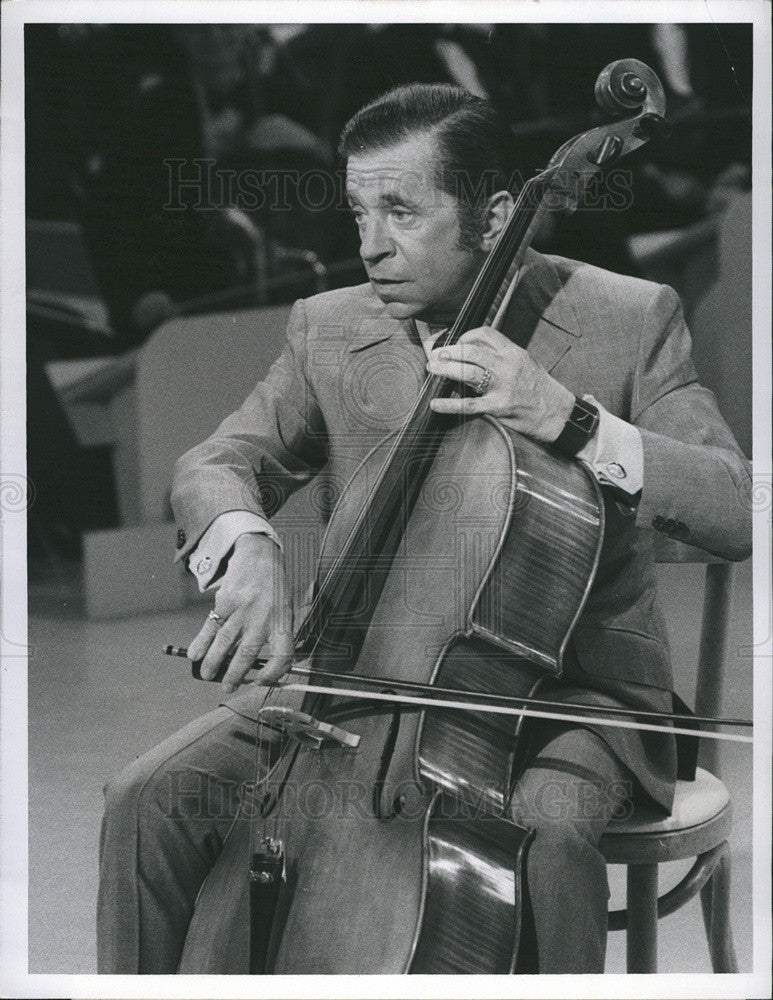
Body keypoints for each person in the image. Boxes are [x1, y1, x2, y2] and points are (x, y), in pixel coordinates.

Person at [97, 84, 751, 974]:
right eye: (359, 211)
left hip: (568, 695)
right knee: (151, 799)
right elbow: (217, 461)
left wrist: (574, 421)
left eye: (401, 211)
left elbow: (731, 506)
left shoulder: (627, 318)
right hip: (357, 686)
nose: (370, 244)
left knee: (544, 836)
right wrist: (245, 547)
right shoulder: (329, 328)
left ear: (490, 216)